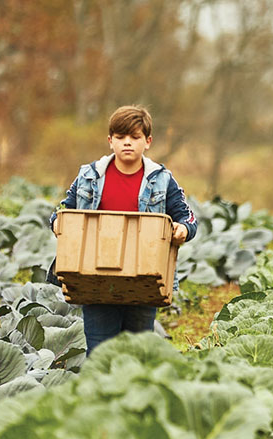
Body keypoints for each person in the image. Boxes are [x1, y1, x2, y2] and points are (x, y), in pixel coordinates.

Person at [50, 104, 197, 353]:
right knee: (99, 353)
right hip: (94, 280)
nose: (127, 143)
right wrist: (56, 222)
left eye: (135, 137)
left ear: (147, 141)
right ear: (110, 141)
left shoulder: (162, 179)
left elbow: (188, 217)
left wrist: (182, 229)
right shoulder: (88, 176)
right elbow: (63, 211)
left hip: (144, 280)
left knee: (137, 353)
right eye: (120, 137)